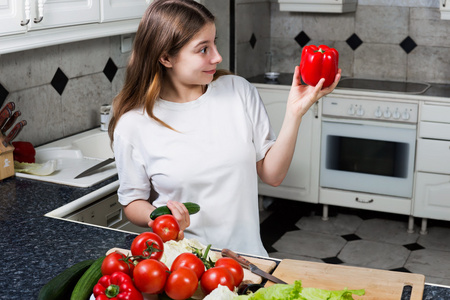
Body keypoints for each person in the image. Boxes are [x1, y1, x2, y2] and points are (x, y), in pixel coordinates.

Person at [108, 0, 341, 257]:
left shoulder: (237, 91)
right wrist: (158, 218)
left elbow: (273, 175)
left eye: (214, 43)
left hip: (246, 258)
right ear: (166, 57)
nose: (217, 57)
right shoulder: (133, 124)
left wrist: (295, 113)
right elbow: (131, 201)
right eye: (203, 49)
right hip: (182, 263)